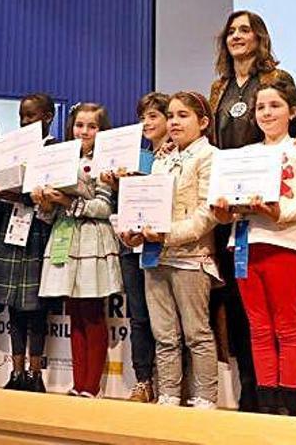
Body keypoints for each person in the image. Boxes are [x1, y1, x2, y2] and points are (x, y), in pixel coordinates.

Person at [208, 9, 296, 412]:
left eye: (246, 30)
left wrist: (280, 211)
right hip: (242, 231)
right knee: (250, 320)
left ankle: (283, 400)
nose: (237, 36)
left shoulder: (280, 87)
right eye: (232, 31)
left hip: (282, 234)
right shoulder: (219, 89)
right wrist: (222, 202)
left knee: (284, 322)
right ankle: (257, 394)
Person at [120, 92, 220, 409]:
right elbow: (147, 207)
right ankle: (168, 396)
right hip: (155, 255)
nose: (174, 122)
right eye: (172, 115)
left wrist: (168, 235)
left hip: (191, 257)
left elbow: (209, 213)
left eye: (183, 115)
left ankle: (205, 398)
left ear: (203, 122)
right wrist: (132, 233)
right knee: (164, 334)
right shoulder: (161, 159)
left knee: (196, 333)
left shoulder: (210, 157)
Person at [37, 103, 122, 398]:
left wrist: (68, 202)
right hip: (64, 237)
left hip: (93, 240)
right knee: (74, 312)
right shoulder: (62, 157)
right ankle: (77, 384)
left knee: (93, 314)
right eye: (79, 125)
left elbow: (104, 205)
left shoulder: (105, 161)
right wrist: (45, 201)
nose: (84, 131)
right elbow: (46, 214)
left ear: (102, 130)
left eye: (92, 126)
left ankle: (91, 386)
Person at [0, 93, 57, 392]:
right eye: (22, 116)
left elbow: (53, 191)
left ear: (49, 117)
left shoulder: (55, 148)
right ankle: (16, 373)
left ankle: (36, 374)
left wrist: (19, 194)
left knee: (36, 306)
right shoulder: (10, 149)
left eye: (32, 116)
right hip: (12, 227)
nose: (26, 122)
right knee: (13, 305)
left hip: (39, 229)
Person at [115, 92, 169, 403]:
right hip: (131, 244)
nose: (146, 123)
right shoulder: (133, 157)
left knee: (165, 319)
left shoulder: (177, 157)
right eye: (143, 117)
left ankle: (172, 383)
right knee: (138, 318)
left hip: (161, 245)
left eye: (154, 117)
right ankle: (143, 380)